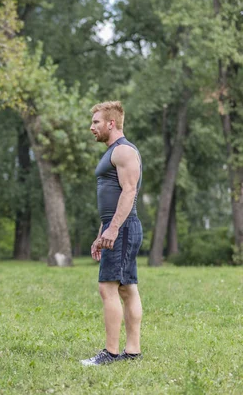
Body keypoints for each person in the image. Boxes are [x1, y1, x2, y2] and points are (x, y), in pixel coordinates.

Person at [81, 101, 143, 366]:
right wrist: (102, 232)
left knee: (108, 288)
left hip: (124, 227)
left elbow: (129, 192)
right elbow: (112, 199)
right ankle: (132, 351)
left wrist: (114, 229)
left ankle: (111, 353)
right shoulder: (112, 152)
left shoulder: (124, 151)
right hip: (118, 226)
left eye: (96, 122)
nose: (91, 127)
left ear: (111, 123)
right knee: (127, 289)